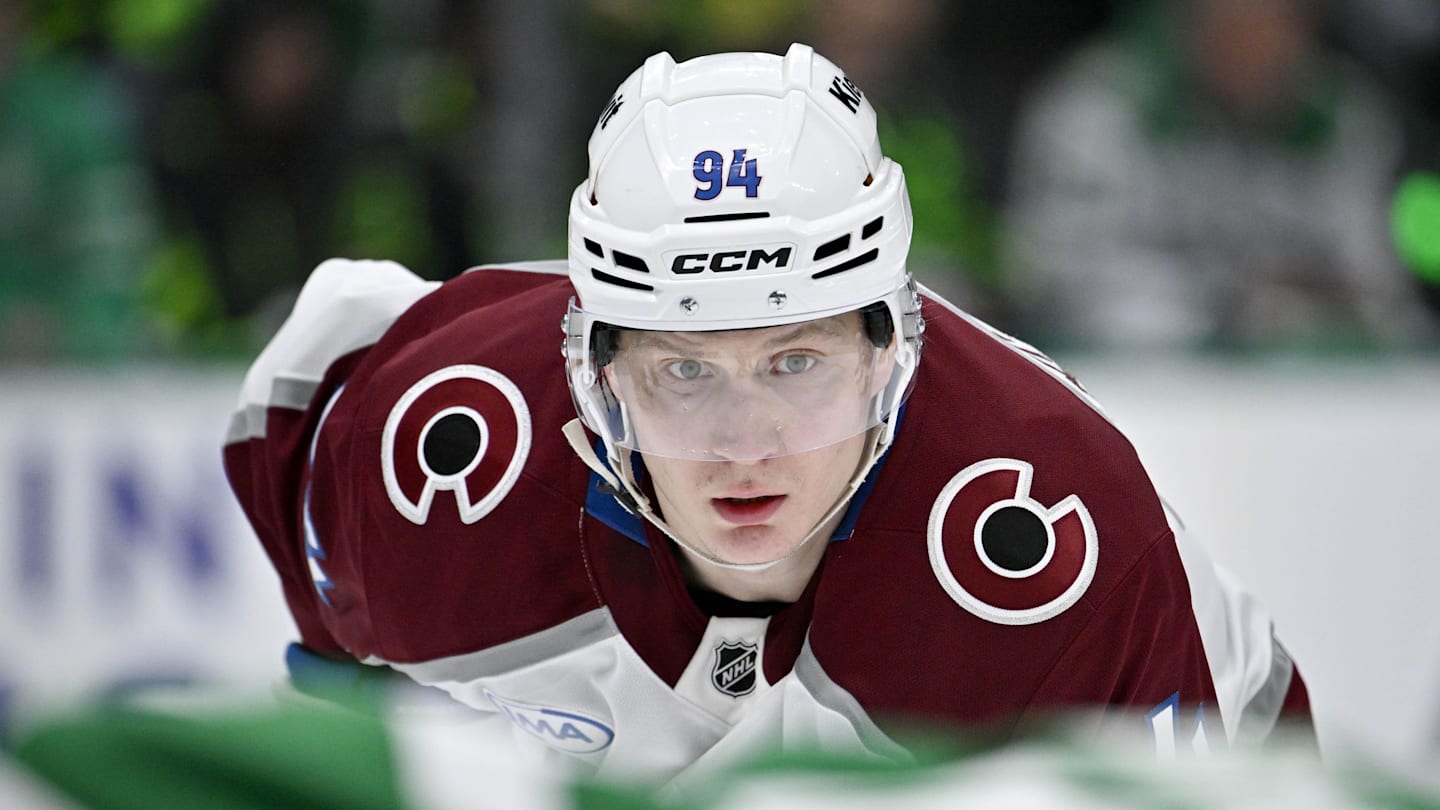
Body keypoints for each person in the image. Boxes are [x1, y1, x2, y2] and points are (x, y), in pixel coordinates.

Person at [224, 44, 1312, 787]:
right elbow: (344, 721)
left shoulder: (1059, 543)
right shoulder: (432, 457)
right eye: (685, 374)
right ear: (598, 371)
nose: (746, 446)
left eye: (795, 363)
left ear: (889, 351)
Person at [1003, 0, 1436, 351]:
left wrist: (1311, 317)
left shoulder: (1345, 120)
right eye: (1237, 22)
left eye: (1279, 21)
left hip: (1309, 391)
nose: (1261, 44)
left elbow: (1382, 294)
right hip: (1142, 385)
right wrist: (1225, 312)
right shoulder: (1096, 109)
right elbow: (1056, 280)